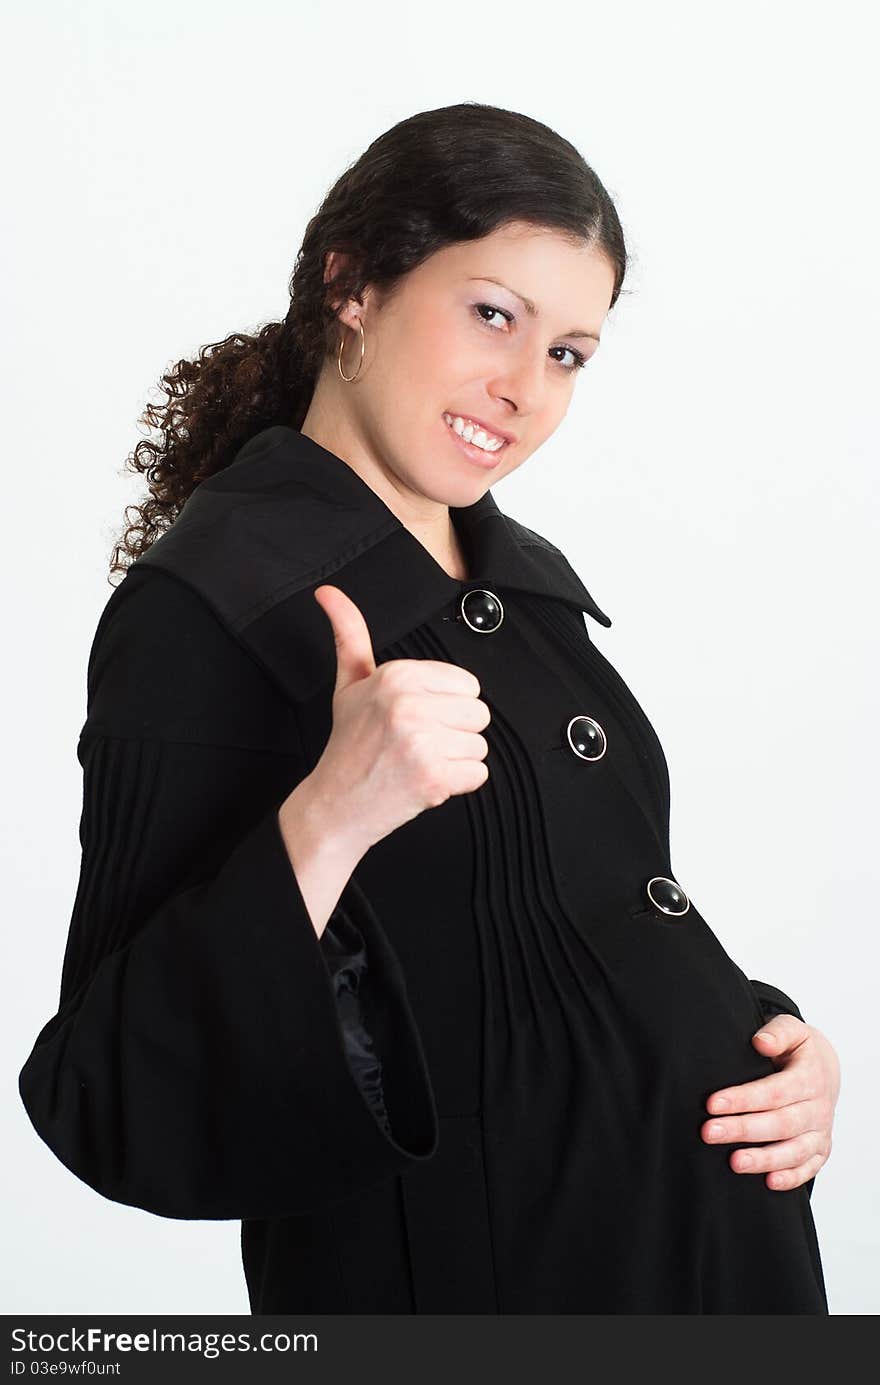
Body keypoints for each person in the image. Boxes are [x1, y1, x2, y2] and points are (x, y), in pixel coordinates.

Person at [18, 102, 840, 1314]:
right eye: (491, 313)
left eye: (567, 352)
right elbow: (107, 1085)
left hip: (700, 1264)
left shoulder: (520, 586)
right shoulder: (216, 600)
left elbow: (547, 931)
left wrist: (772, 1042)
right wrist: (328, 819)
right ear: (352, 284)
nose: (522, 388)